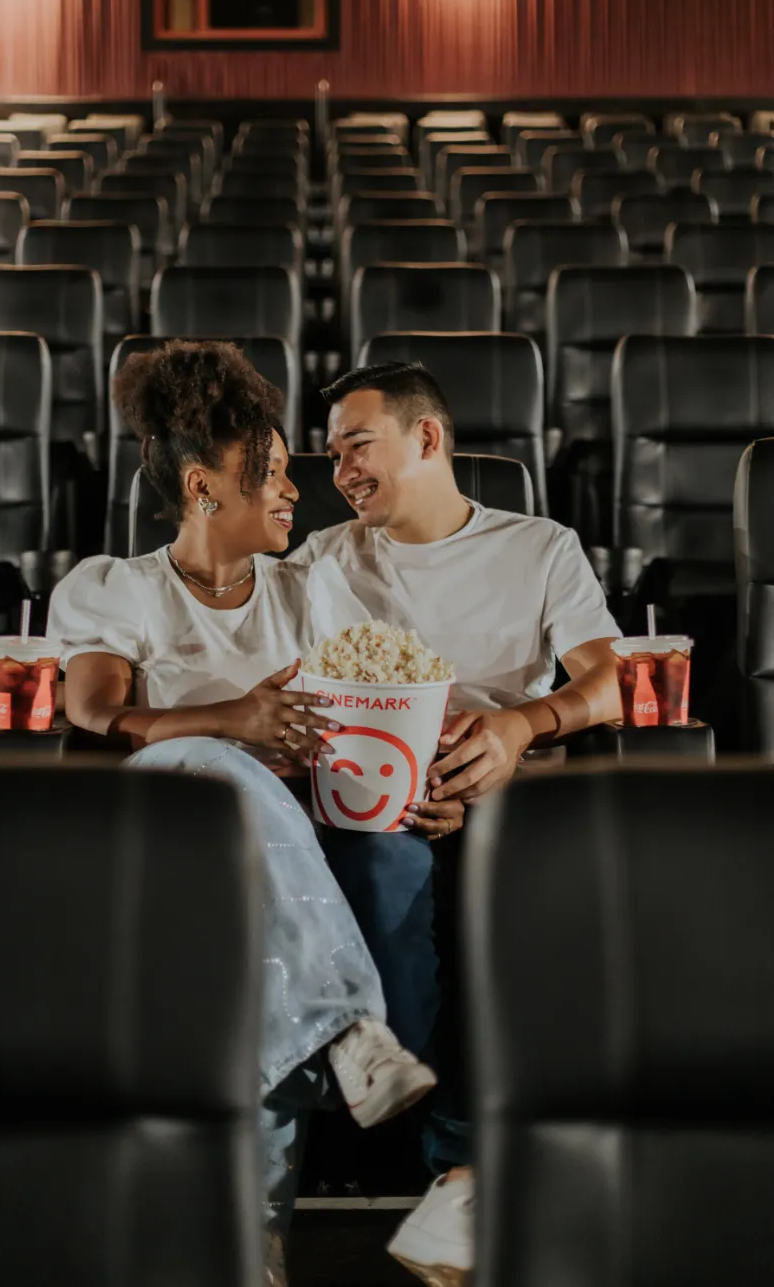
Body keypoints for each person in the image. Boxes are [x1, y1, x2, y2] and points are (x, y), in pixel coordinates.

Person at [46, 342, 436, 1286]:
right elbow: (99, 714)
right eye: (266, 470)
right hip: (166, 834)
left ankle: (258, 1238)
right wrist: (236, 720)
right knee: (212, 760)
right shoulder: (118, 587)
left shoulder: (311, 590)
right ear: (200, 486)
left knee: (267, 966)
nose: (294, 489)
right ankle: (351, 1030)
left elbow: (364, 699)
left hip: (283, 849)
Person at [289, 360, 623, 1286]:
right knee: (381, 867)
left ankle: (467, 1169)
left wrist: (520, 724)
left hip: (505, 791)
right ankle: (451, 1159)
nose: (342, 470)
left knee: (506, 881)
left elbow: (604, 682)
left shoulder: (539, 546)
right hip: (375, 805)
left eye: (359, 444)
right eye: (332, 454)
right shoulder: (323, 559)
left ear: (427, 438)